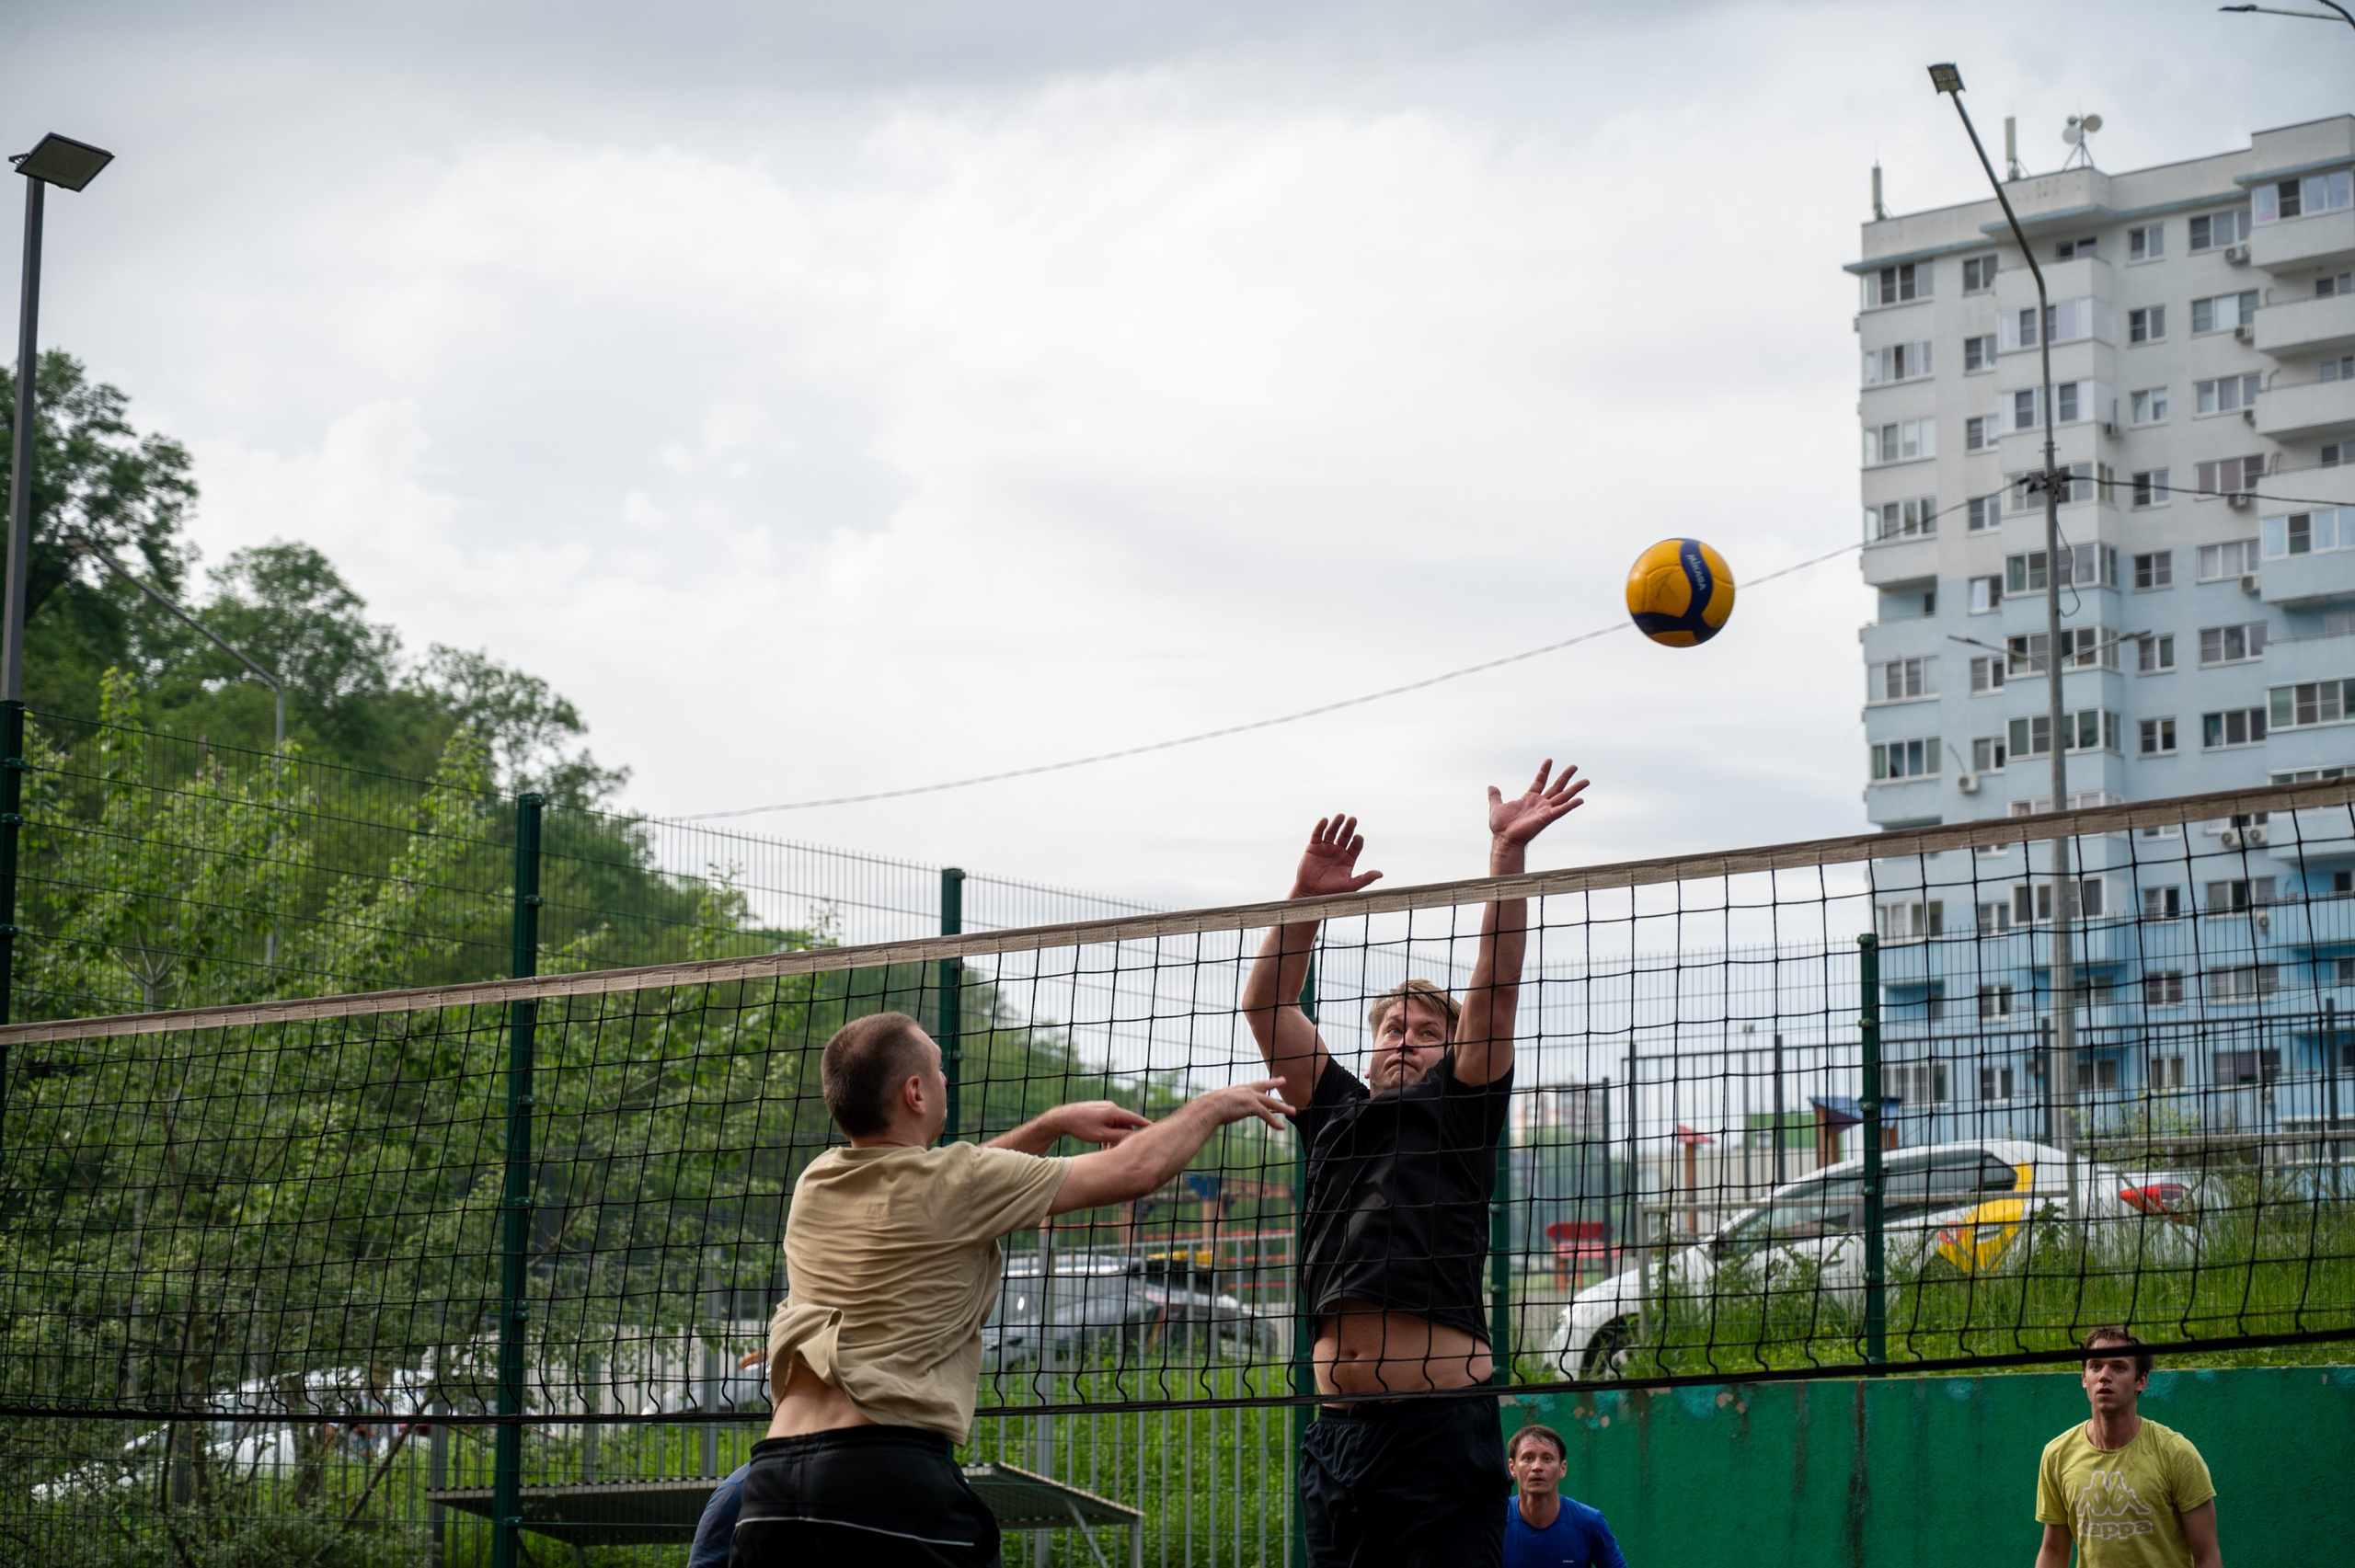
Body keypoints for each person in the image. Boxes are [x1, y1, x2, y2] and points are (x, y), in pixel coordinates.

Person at [731, 1010, 1292, 1568]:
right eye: (941, 1074)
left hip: (772, 1487)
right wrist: (1217, 1105)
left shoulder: (818, 1181)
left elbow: (955, 1188)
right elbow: (1135, 1171)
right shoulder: (956, 1182)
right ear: (915, 1093)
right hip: (883, 1475)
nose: (948, 1083)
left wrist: (1051, 1125)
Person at [1240, 760, 1588, 1568]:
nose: (1403, 1036)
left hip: (1438, 1433)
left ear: (1449, 1047)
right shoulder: (1333, 1109)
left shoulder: (1463, 1105)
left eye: (1424, 1029)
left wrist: (1506, 859)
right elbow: (1266, 1006)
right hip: (1339, 1439)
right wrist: (1306, 905)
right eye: (1391, 1025)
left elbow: (1495, 987)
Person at [2034, 1326, 2221, 1568]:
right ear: (2084, 1378)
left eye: (2118, 1367)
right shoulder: (2057, 1454)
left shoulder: (2177, 1453)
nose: (2104, 1376)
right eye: (2095, 1366)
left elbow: (2207, 1556)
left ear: (2141, 1381)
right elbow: (2053, 1550)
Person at [1501, 1425, 1627, 1568]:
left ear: (1562, 1468)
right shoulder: (1495, 1522)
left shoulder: (1590, 1522)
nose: (1537, 1467)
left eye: (1547, 1459)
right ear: (1512, 1468)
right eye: (1528, 1458)